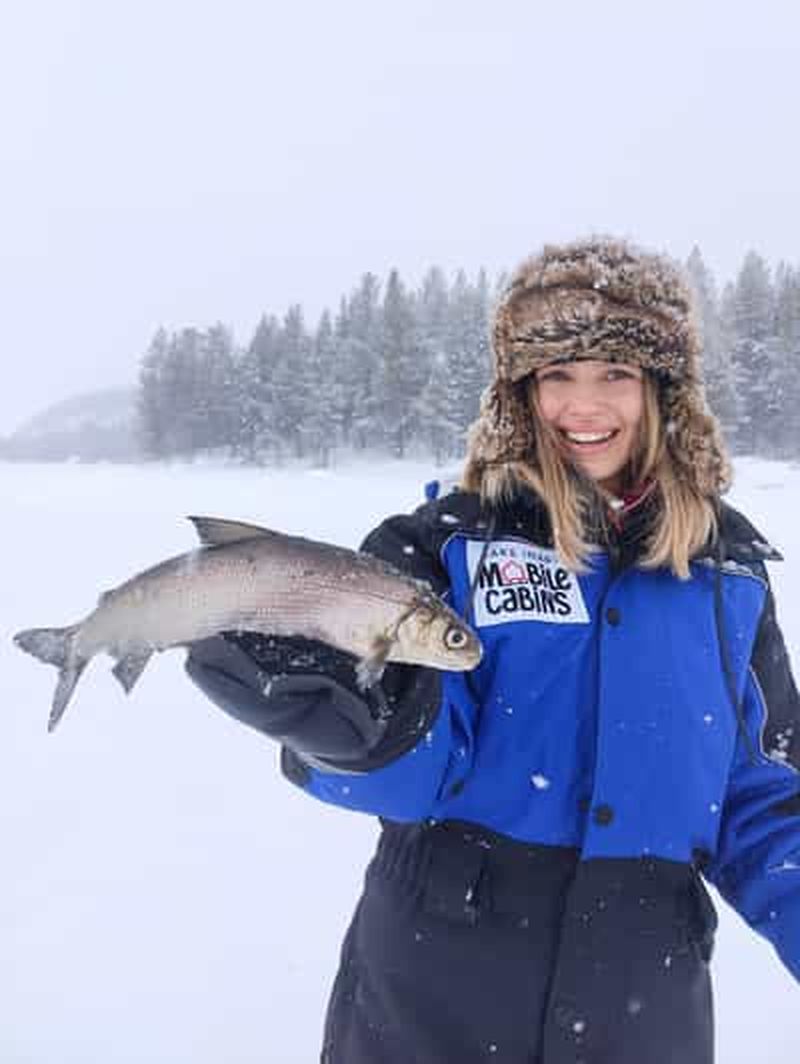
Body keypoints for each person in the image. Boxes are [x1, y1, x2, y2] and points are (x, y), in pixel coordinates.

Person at [185, 236, 800, 1064]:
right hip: (433, 992)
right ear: (520, 392)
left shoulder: (728, 577)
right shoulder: (445, 545)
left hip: (646, 1003)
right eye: (557, 375)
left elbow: (765, 800)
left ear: (664, 392)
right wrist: (354, 735)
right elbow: (421, 755)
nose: (585, 406)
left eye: (615, 373)